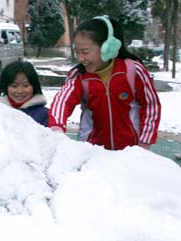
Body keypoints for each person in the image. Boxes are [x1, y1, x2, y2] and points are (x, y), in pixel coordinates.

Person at [49, 16, 161, 150]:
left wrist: (144, 144)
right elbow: (62, 101)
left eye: (85, 51)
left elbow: (150, 106)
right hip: (93, 152)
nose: (80, 58)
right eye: (77, 52)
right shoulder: (80, 77)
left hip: (131, 153)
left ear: (108, 48)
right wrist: (57, 129)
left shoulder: (133, 71)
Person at [0, 61, 48, 127]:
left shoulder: (45, 115)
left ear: (34, 86)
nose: (20, 91)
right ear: (5, 87)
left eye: (26, 85)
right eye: (14, 86)